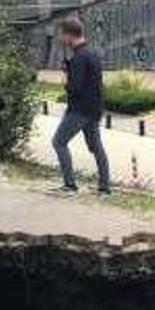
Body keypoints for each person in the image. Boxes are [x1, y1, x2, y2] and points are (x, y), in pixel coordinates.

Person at [51, 17, 110, 194]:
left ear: (69, 34)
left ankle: (70, 185)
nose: (60, 39)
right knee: (96, 147)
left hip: (78, 110)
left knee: (59, 142)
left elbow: (74, 87)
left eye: (62, 34)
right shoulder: (92, 54)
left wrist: (65, 77)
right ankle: (104, 187)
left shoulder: (78, 57)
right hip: (94, 109)